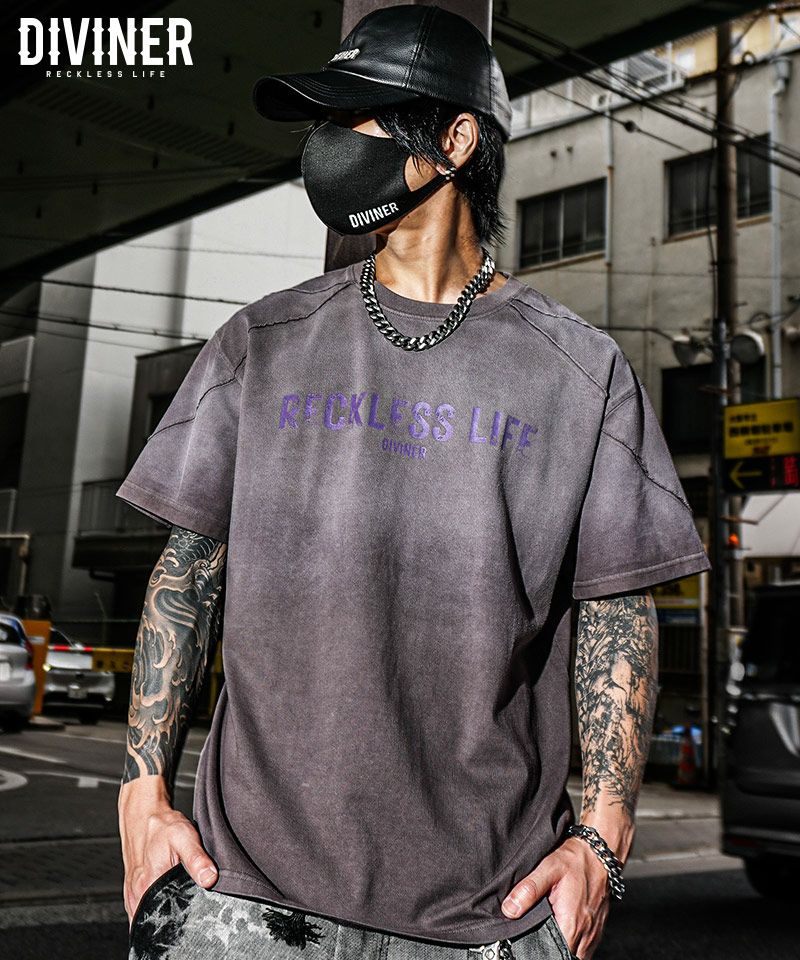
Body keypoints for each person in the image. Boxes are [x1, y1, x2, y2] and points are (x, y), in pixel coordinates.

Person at [117, 6, 712, 960]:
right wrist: (143, 792)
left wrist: (604, 839)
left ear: (456, 140)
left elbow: (617, 614)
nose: (326, 146)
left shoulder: (581, 374)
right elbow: (187, 573)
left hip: (486, 916)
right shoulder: (260, 344)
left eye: (350, 116)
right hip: (242, 901)